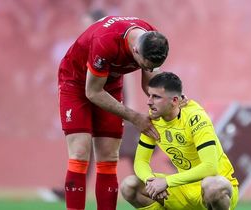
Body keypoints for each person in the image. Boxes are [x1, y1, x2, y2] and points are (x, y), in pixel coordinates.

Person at [58, 16, 169, 210]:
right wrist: (135, 117)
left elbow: (150, 83)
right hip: (75, 83)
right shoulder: (106, 42)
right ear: (135, 50)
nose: (148, 69)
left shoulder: (152, 40)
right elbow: (92, 92)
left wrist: (168, 108)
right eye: (144, 64)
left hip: (109, 84)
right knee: (80, 153)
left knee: (109, 157)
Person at [120, 72, 239, 210]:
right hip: (182, 190)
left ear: (175, 101)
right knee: (130, 186)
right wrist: (150, 181)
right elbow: (141, 161)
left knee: (213, 187)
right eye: (150, 95)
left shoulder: (196, 118)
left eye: (156, 97)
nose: (149, 101)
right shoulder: (154, 119)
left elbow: (210, 167)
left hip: (211, 188)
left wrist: (167, 181)